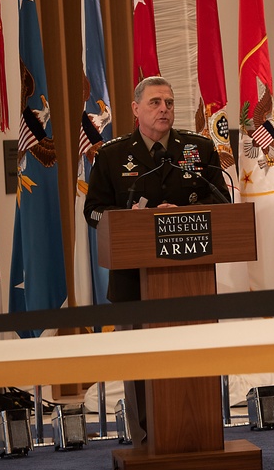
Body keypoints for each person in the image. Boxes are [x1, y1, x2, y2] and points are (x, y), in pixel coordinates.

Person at [83, 75, 228, 444]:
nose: (163, 109)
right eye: (154, 102)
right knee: (142, 365)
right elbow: (94, 211)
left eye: (168, 102)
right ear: (135, 109)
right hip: (135, 283)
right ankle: (146, 440)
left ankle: (202, 435)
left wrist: (178, 215)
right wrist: (137, 221)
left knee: (193, 359)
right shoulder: (112, 155)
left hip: (190, 280)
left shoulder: (198, 149)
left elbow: (222, 205)